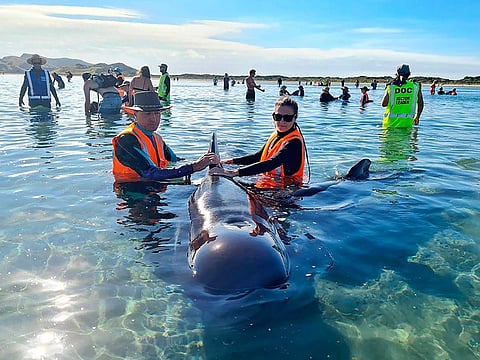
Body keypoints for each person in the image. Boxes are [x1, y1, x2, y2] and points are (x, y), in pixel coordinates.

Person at [112, 91, 219, 182]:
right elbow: (149, 173)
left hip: (156, 186)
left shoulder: (157, 138)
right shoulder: (126, 140)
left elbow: (175, 160)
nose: (153, 119)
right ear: (135, 114)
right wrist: (194, 167)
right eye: (147, 114)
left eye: (157, 113)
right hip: (131, 191)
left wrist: (207, 161)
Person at [209, 96, 306, 189]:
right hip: (271, 182)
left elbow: (271, 163)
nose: (282, 121)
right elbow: (258, 157)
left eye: (287, 118)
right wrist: (231, 161)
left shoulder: (294, 143)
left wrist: (233, 172)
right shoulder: (278, 134)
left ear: (295, 117)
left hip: (286, 189)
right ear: (273, 116)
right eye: (278, 117)